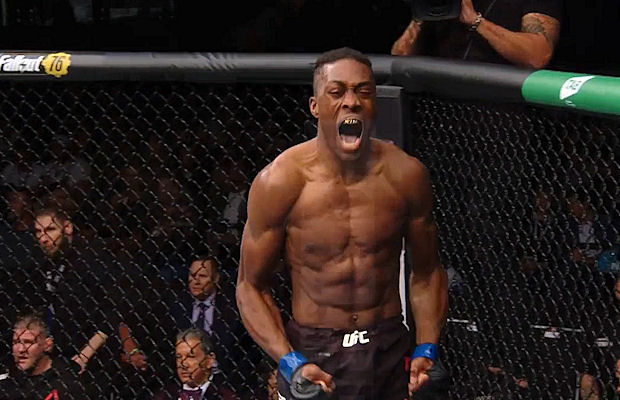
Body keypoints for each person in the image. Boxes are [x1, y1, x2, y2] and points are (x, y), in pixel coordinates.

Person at [236, 47, 448, 400]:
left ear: (374, 102)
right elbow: (250, 287)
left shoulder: (406, 175)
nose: (351, 102)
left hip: (388, 346)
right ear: (315, 106)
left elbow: (427, 272)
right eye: (336, 92)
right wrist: (290, 362)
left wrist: (427, 347)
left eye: (363, 91)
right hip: (315, 350)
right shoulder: (281, 181)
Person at [391, 0, 562, 69]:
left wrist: (476, 21)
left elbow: (537, 55)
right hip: (438, 116)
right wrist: (422, 13)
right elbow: (399, 58)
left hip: (500, 117)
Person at [0, 312, 88, 399]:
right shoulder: (8, 384)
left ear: (47, 345)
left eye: (28, 342)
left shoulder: (67, 381)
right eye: (16, 342)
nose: (21, 349)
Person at [152, 328, 237, 400]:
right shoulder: (163, 396)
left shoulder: (227, 397)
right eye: (178, 357)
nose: (183, 364)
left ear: (209, 360)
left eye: (191, 356)